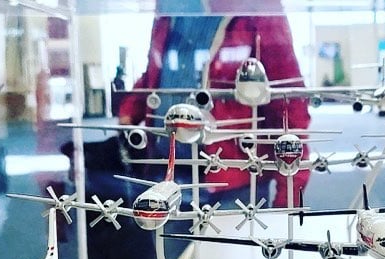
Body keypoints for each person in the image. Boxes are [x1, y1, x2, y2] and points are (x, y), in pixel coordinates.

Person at [118, 7, 311, 208]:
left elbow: (289, 101)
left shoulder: (256, 8)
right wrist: (129, 111)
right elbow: (158, 70)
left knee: (236, 229)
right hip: (167, 171)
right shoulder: (170, 9)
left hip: (232, 182)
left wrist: (287, 202)